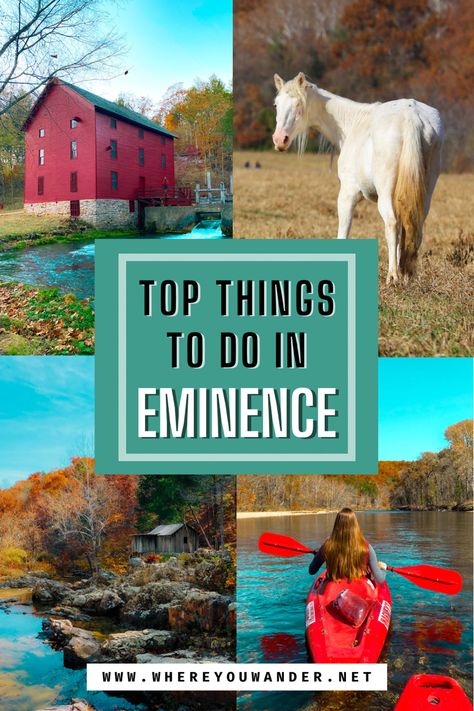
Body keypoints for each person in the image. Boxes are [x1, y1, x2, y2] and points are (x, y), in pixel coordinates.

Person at [309, 508, 387, 584]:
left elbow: (312, 570)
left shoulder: (327, 546)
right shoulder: (366, 547)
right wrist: (382, 568)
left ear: (337, 525)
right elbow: (380, 579)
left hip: (333, 587)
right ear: (355, 525)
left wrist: (318, 555)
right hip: (359, 587)